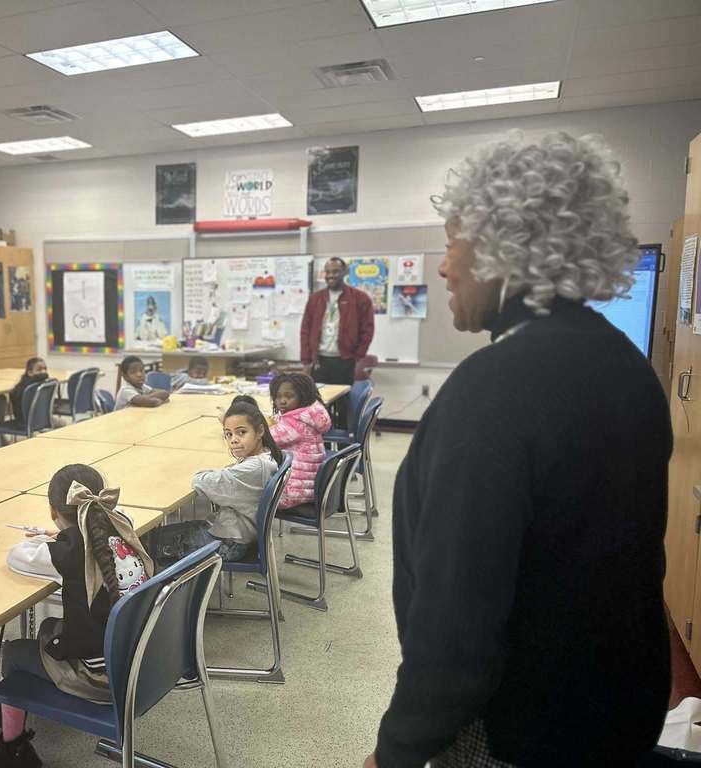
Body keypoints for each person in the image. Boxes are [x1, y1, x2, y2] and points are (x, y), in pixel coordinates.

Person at [364, 132, 671, 768]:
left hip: (517, 733)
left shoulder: (493, 390)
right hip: (617, 716)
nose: (444, 266)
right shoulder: (628, 367)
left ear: (505, 244)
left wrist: (395, 752)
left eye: (452, 242)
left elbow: (457, 630)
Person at [0, 464, 154, 767]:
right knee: (51, 626)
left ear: (53, 511)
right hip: (141, 658)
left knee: (13, 651)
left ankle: (12, 746)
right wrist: (68, 532)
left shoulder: (69, 552)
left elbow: (17, 556)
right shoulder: (123, 523)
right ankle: (13, 710)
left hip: (102, 678)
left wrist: (55, 539)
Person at [152, 399, 281, 564]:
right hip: (234, 533)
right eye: (228, 434)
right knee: (156, 535)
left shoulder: (253, 468)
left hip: (228, 544)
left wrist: (212, 472)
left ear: (260, 431)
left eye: (241, 432)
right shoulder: (265, 456)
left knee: (145, 543)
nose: (233, 439)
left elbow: (201, 481)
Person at [300, 257, 375, 385]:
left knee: (343, 402)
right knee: (320, 401)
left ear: (344, 272)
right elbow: (305, 330)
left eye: (335, 272)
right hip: (319, 361)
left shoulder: (360, 298)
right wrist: (306, 360)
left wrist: (357, 356)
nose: (330, 276)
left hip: (345, 361)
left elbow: (367, 330)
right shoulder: (315, 299)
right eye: (327, 272)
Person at [267, 373, 330, 509]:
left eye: (289, 396)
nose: (282, 401)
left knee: (246, 490)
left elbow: (263, 439)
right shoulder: (309, 415)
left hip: (291, 493)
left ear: (303, 396)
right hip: (308, 487)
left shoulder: (294, 424)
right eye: (278, 397)